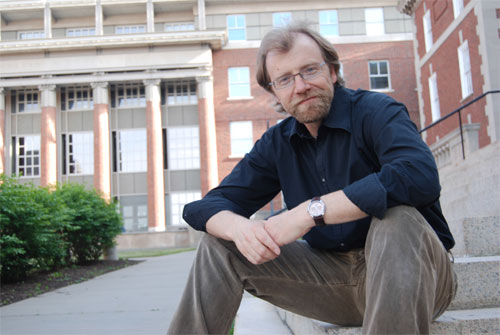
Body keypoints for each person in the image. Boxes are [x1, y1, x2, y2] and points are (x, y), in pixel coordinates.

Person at [167, 22, 456, 335]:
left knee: (396, 217)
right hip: (333, 284)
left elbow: (418, 174)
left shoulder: (376, 111)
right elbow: (203, 208)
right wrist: (241, 228)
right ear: (273, 91)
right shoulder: (277, 143)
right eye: (285, 79)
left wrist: (309, 213)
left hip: (417, 278)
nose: (301, 86)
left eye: (309, 70)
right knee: (220, 243)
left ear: (331, 71)